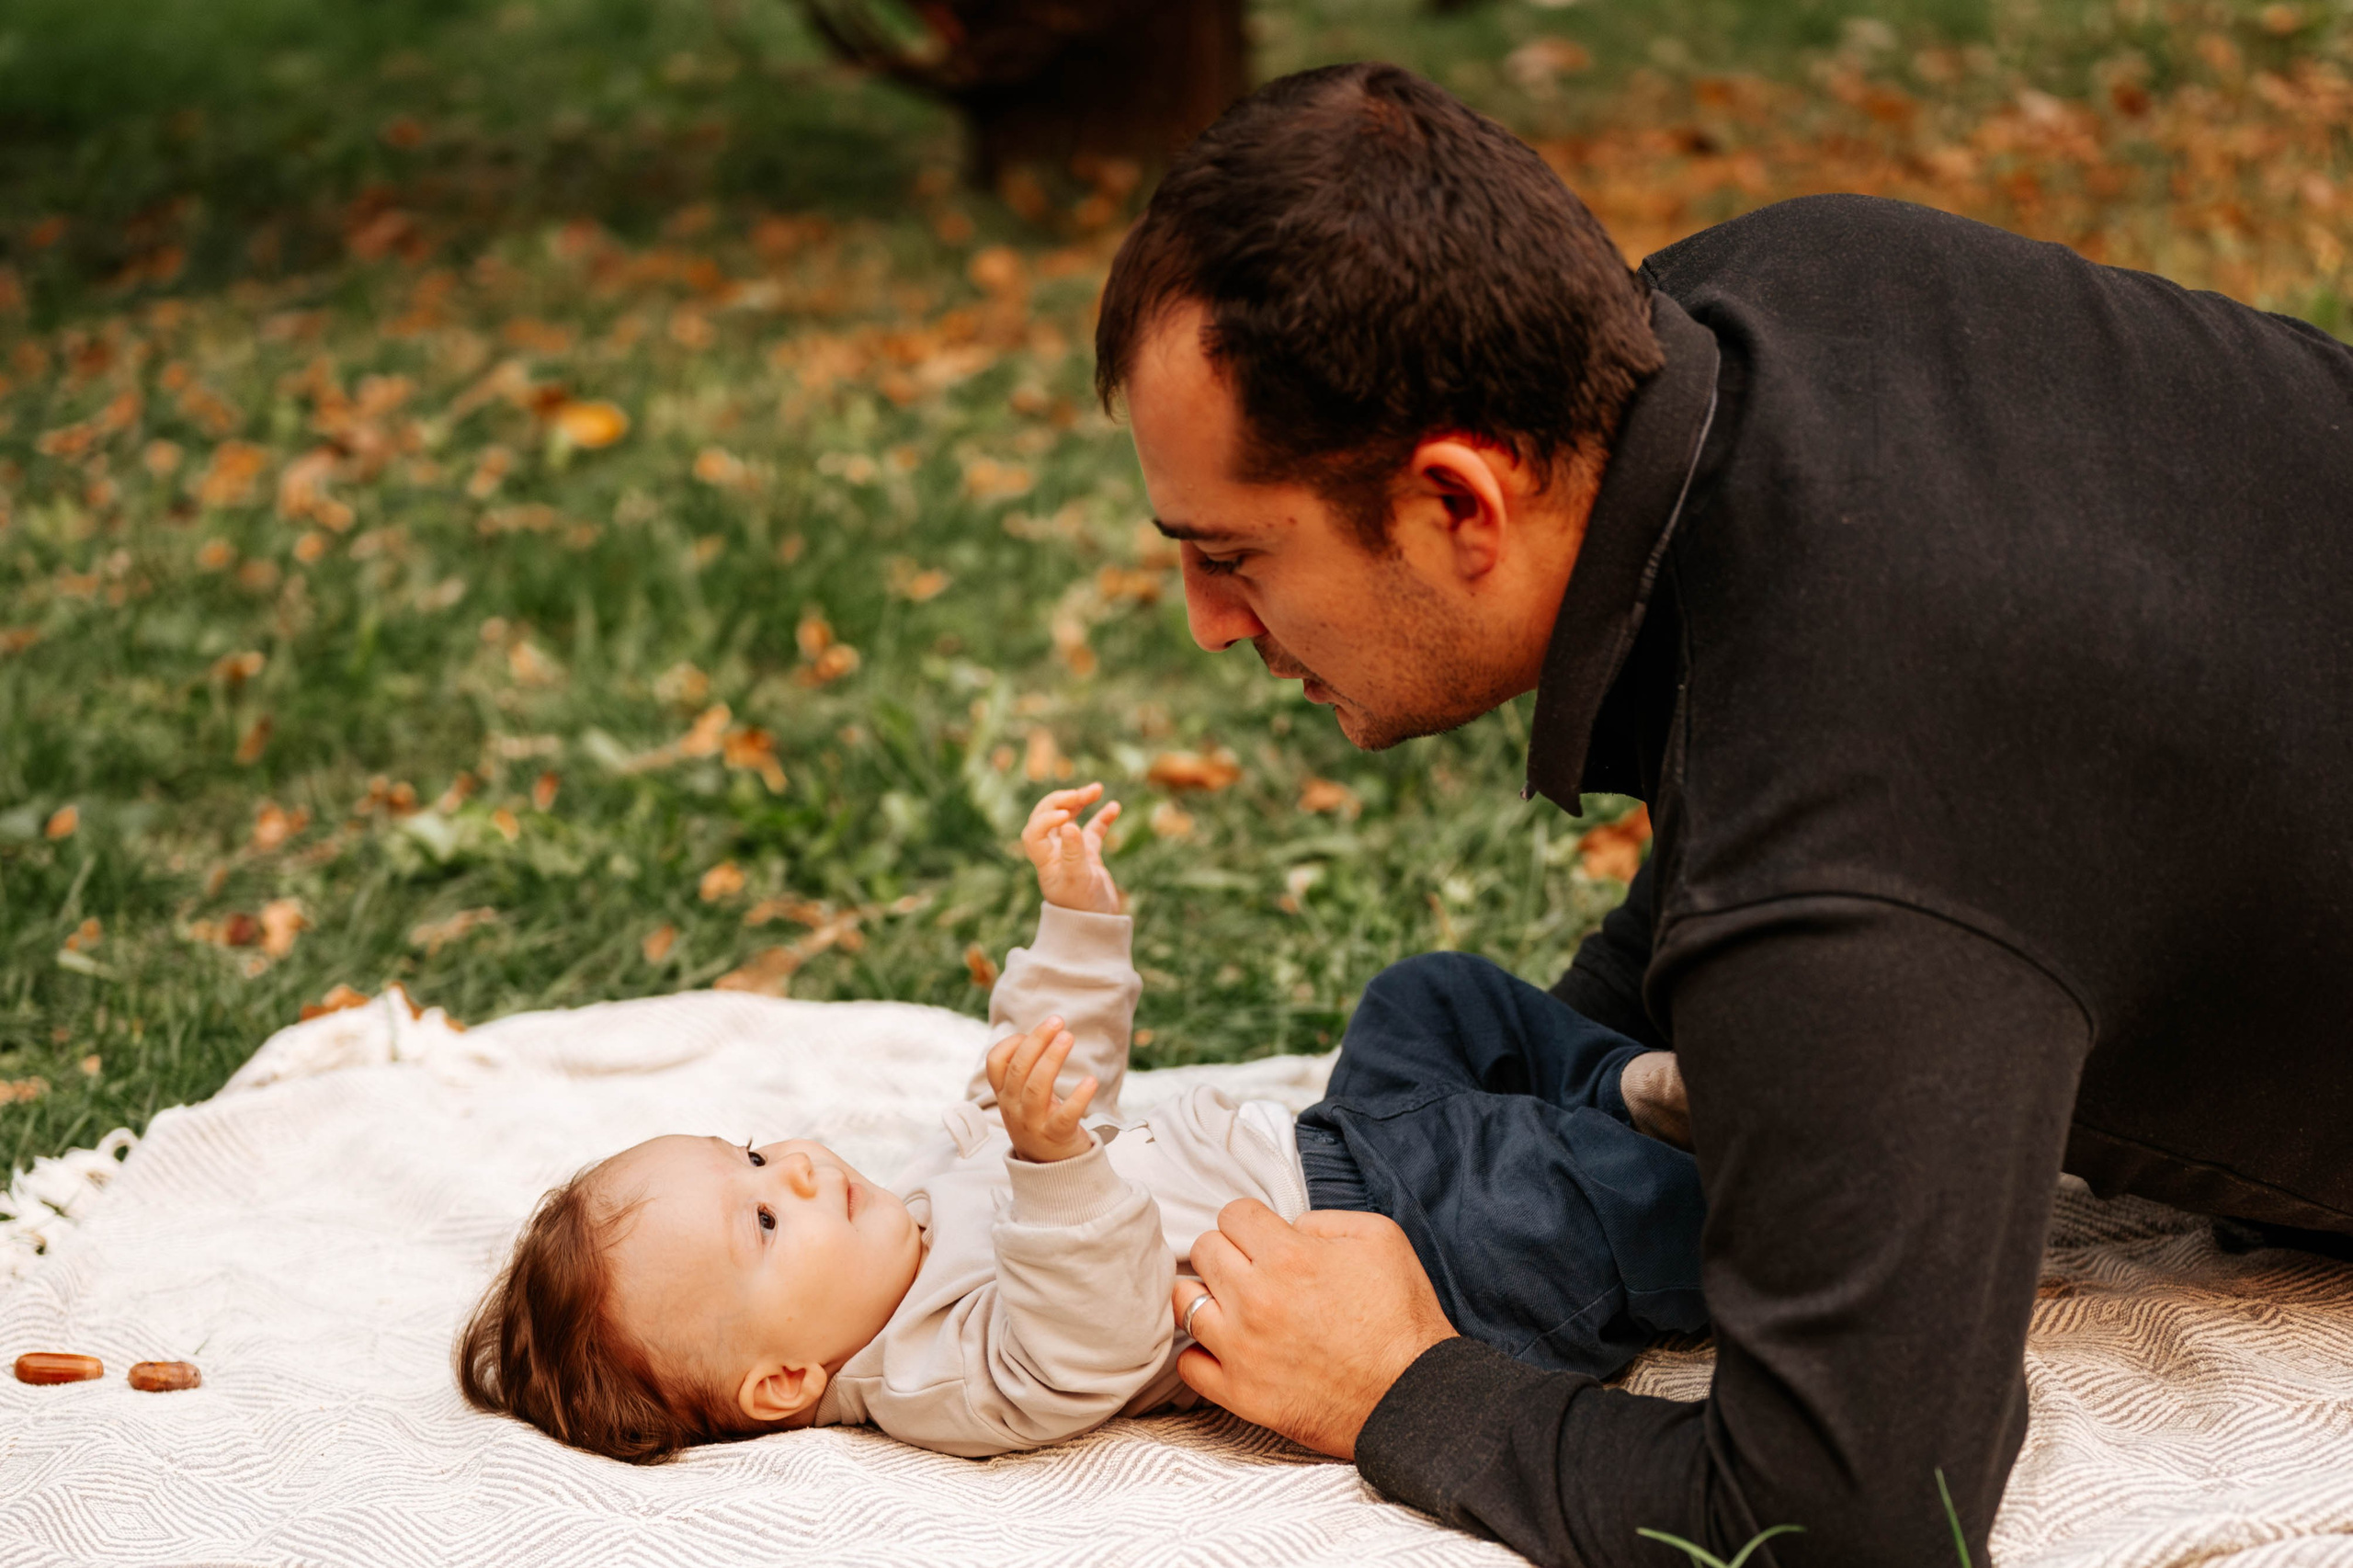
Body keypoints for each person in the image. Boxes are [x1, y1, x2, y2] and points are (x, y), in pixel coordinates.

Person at [1096, 60, 2353, 1568]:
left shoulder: (1849, 825)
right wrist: (1532, 1106)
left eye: (1230, 554)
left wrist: (1402, 1384)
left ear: (1458, 505)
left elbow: (1845, 1516)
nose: (1207, 624)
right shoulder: (1779, 291)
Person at [454, 785, 1705, 1461]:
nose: (794, 1165)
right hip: (1404, 1251)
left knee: (1426, 993)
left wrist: (1074, 933)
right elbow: (1088, 1336)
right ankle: (1758, 1190)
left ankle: (1621, 1087)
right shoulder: (930, 1373)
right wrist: (1052, 1164)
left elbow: (1049, 1076)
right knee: (1563, 1194)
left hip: (1331, 1144)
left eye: (749, 1151)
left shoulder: (912, 1213)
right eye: (764, 1216)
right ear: (784, 1380)